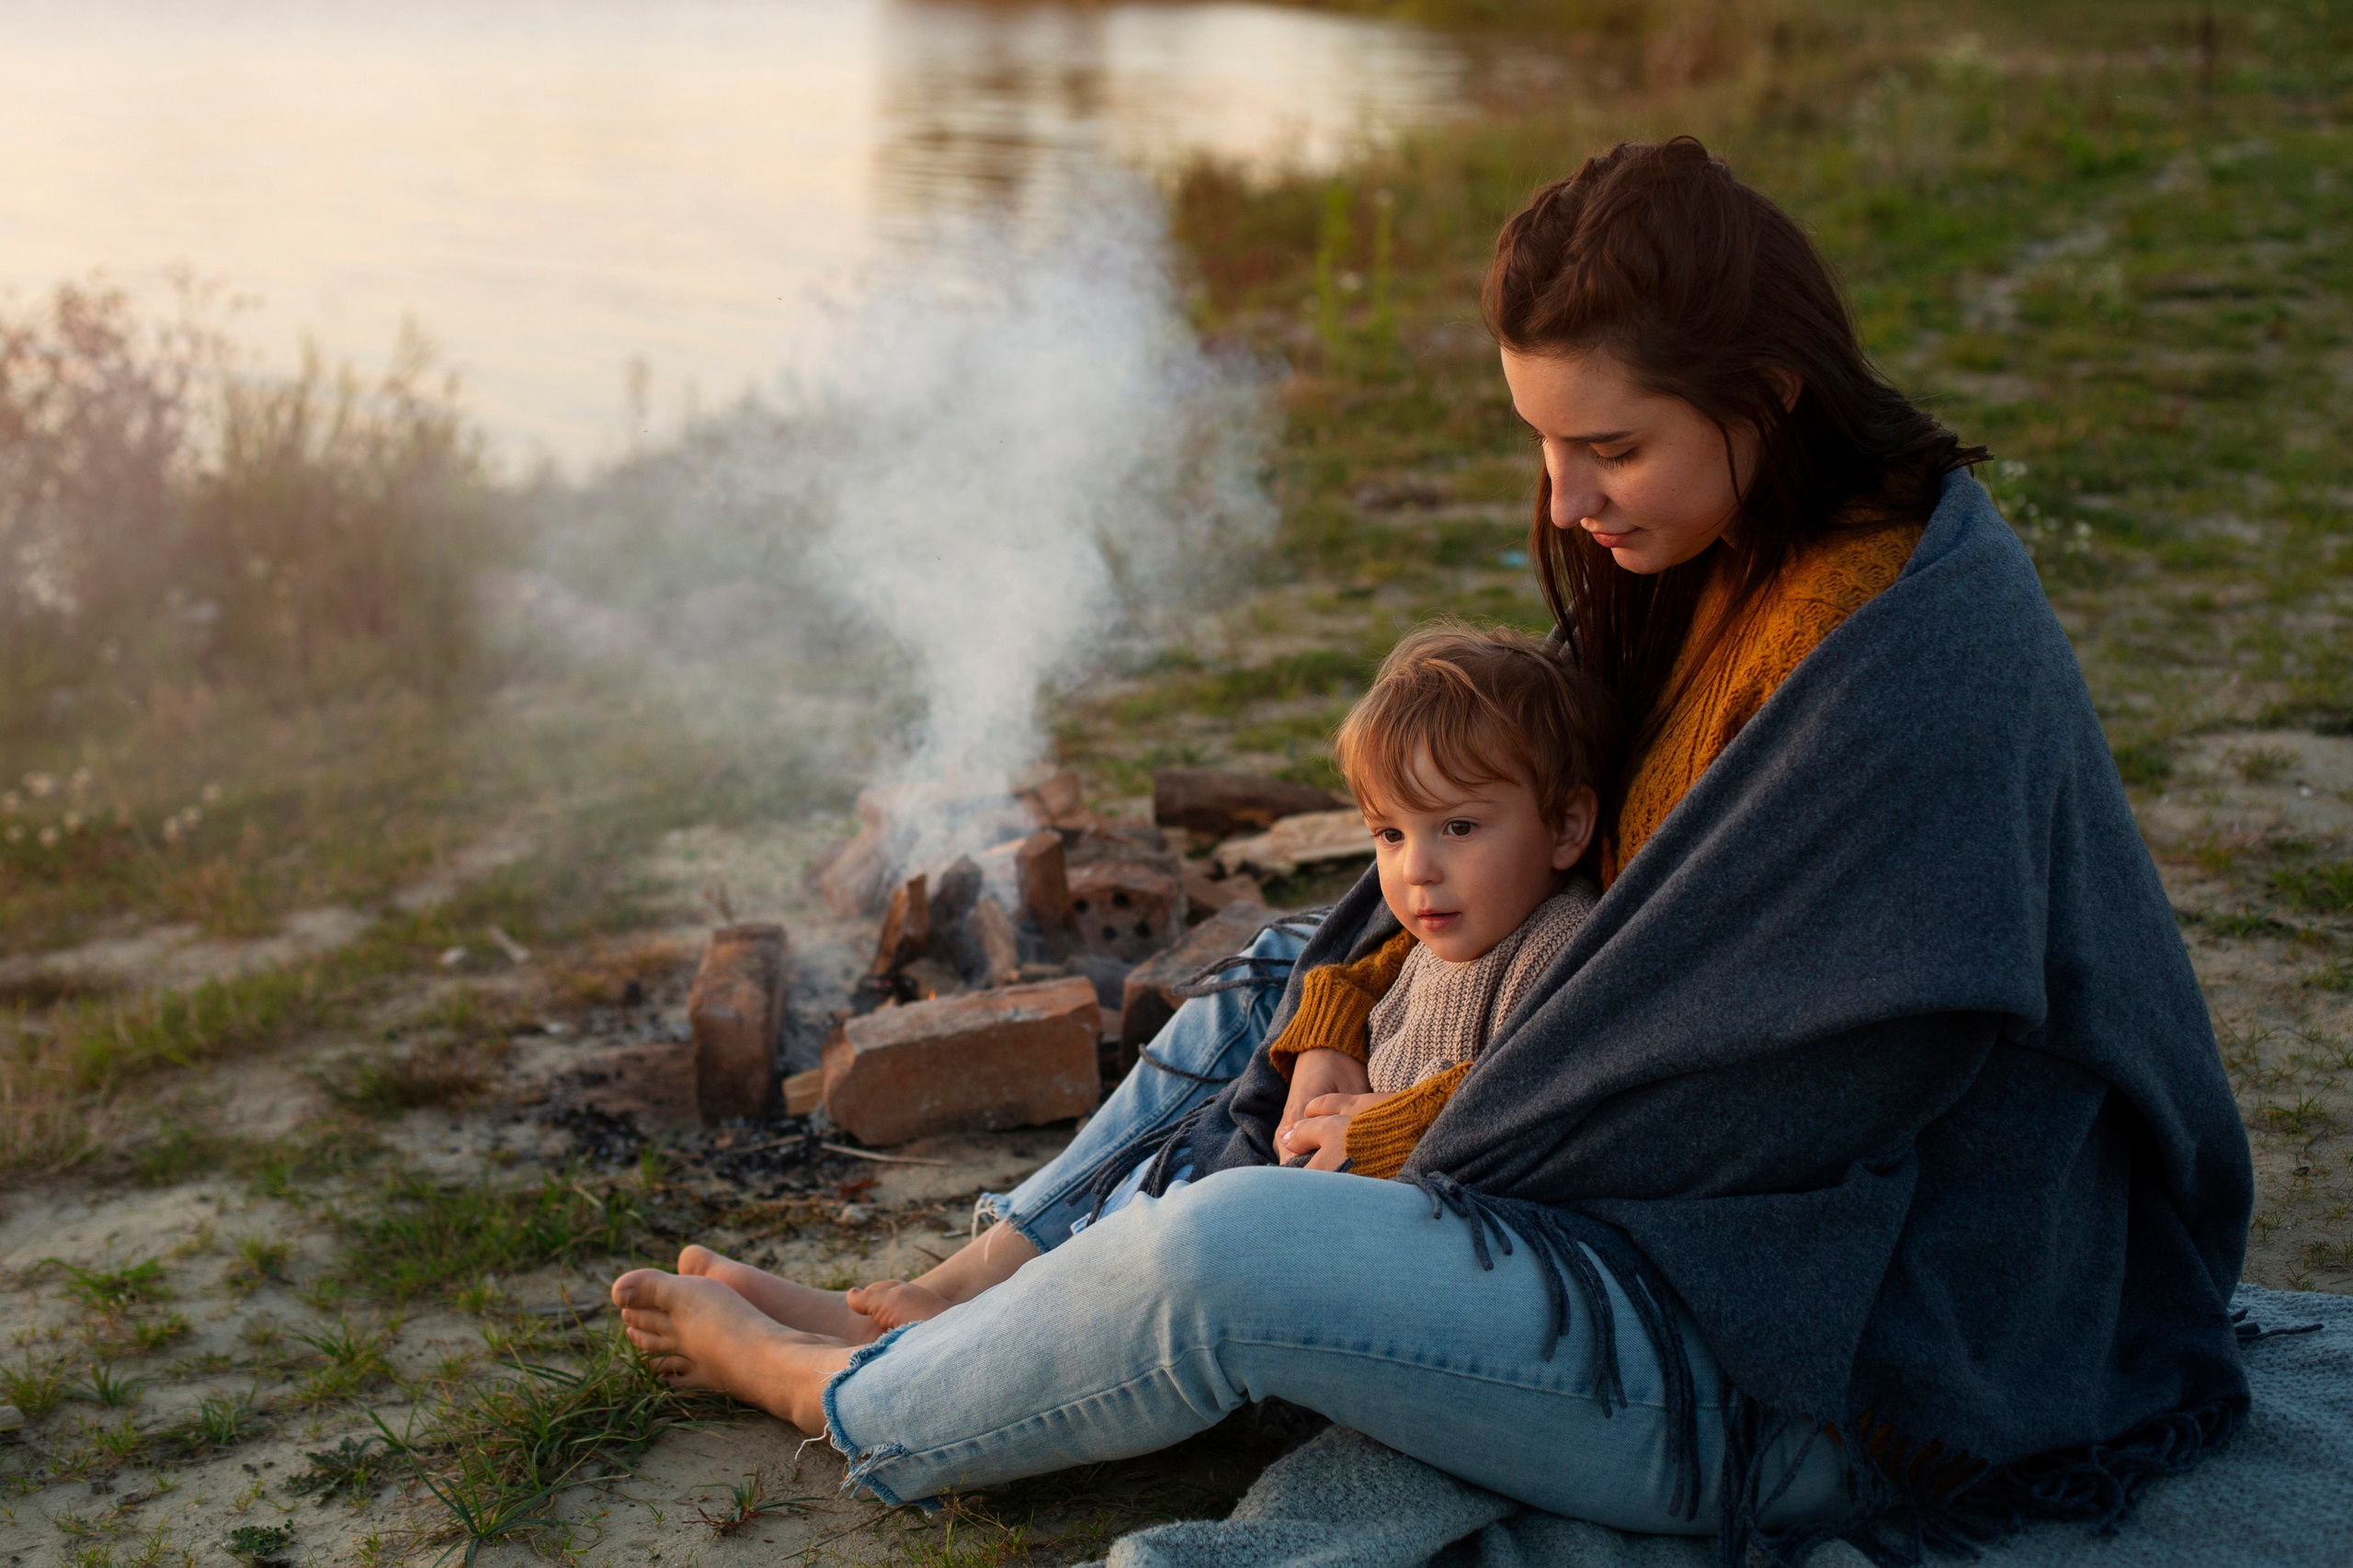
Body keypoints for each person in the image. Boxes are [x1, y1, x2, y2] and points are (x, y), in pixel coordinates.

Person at [612, 136, 2253, 1563]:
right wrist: (1338, 1057)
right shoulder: (1721, 556)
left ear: (1769, 399)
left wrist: (1388, 1132)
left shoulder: (1903, 660)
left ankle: (842, 1392)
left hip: (1802, 1341)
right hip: (1617, 1173)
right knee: (1288, 973)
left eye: (1611, 446)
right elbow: (1613, 954)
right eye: (1543, 441)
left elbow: (1782, 1086)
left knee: (1234, 1246)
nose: (1570, 496)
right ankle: (957, 1289)